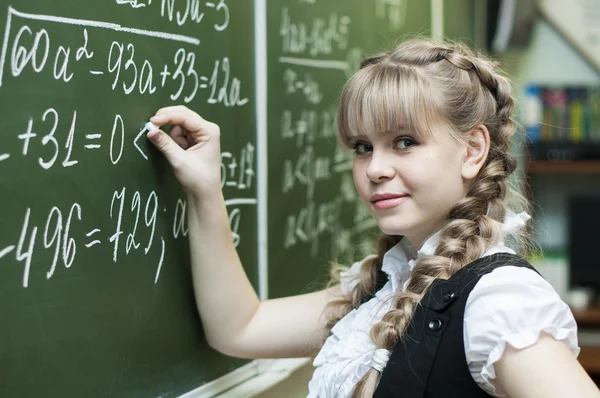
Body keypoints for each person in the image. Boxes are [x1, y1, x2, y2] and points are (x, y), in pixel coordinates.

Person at [145, 38, 600, 397]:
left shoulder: (499, 301)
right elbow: (239, 328)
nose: (376, 169)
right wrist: (205, 189)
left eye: (404, 141)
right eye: (363, 147)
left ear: (472, 150)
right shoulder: (385, 284)